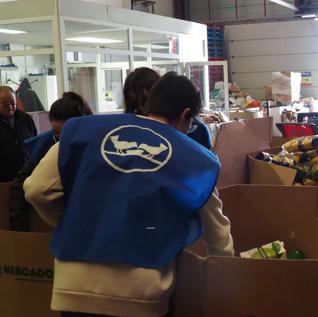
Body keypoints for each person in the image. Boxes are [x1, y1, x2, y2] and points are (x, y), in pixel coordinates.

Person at [24, 74, 234, 317]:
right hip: (142, 293)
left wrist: (76, 220)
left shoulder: (83, 130)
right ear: (186, 115)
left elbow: (37, 189)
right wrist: (226, 284)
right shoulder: (196, 159)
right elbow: (219, 237)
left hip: (73, 287)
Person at [10, 92, 92, 232]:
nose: (62, 138)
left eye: (66, 132)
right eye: (57, 133)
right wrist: (19, 228)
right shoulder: (41, 147)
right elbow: (22, 186)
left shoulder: (95, 143)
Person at [124, 67, 212, 150]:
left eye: (145, 100)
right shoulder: (128, 132)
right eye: (135, 106)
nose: (143, 109)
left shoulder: (196, 129)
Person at [0, 85, 37, 183]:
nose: (10, 107)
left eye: (13, 103)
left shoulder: (26, 119)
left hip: (27, 176)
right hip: (3, 179)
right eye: (5, 104)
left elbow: (35, 145)